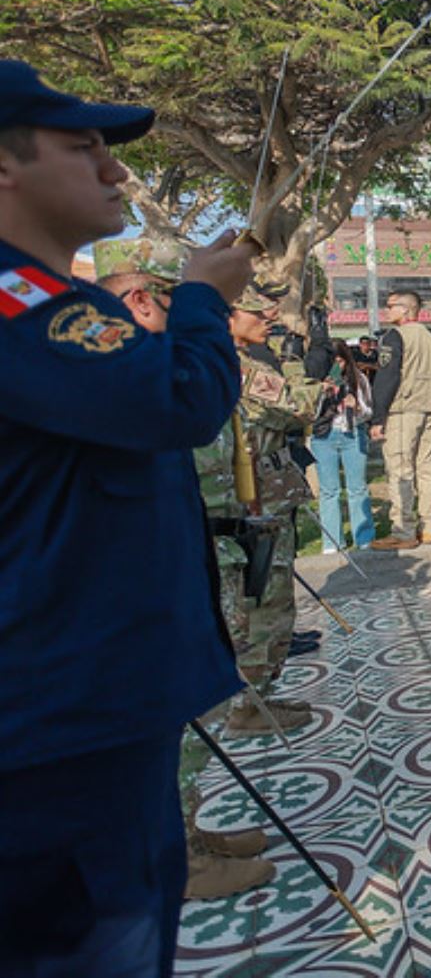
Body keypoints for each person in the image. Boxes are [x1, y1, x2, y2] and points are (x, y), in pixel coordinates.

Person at [0, 60, 257, 973]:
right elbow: (178, 401)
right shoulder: (17, 302)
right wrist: (203, 299)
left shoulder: (45, 299)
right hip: (59, 724)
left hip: (85, 705)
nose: (116, 173)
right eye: (84, 149)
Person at [95, 238, 279, 899]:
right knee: (179, 712)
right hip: (145, 582)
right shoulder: (122, 365)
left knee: (196, 703)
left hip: (190, 549)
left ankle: (186, 831)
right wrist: (206, 301)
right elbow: (192, 409)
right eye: (168, 298)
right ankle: (176, 853)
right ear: (140, 302)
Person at [221, 281, 324, 736]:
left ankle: (256, 696)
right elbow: (302, 404)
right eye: (259, 314)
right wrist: (295, 362)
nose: (271, 321)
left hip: (265, 492)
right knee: (263, 604)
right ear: (230, 315)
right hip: (254, 499)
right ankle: (248, 705)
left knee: (266, 600)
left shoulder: (233, 361)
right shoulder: (235, 365)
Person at [368, 290, 431, 549]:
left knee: (400, 471)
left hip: (404, 409)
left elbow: (387, 378)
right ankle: (430, 527)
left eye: (390, 306)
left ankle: (403, 530)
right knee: (427, 470)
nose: (386, 311)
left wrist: (378, 417)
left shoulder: (395, 336)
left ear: (405, 309)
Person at [312, 339, 375, 553]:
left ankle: (363, 536)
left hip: (352, 433)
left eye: (340, 361)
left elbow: (368, 410)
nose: (337, 366)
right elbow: (308, 411)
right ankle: (332, 541)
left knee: (357, 487)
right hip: (324, 435)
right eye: (332, 361)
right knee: (329, 490)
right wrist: (322, 392)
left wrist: (356, 407)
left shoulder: (358, 379)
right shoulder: (316, 381)